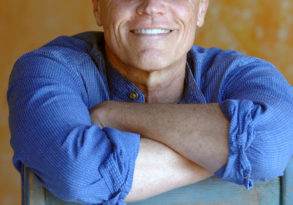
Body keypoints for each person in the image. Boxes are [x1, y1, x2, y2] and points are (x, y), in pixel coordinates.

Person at [7, 0, 293, 204]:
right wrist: (229, 153)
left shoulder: (243, 75)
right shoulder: (48, 69)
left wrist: (116, 114)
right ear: (97, 6)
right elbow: (79, 172)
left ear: (201, 9)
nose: (152, 6)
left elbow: (268, 145)